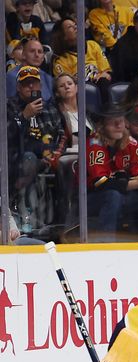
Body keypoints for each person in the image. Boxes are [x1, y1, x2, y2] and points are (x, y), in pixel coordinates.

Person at [86, 103, 138, 239]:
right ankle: (104, 245)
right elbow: (100, 183)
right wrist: (136, 184)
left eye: (121, 120)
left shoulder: (131, 143)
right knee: (113, 196)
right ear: (102, 125)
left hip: (123, 194)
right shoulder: (94, 144)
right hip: (91, 198)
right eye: (113, 122)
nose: (119, 125)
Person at [7, 65, 66, 235]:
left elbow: (60, 134)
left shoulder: (49, 107)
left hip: (48, 157)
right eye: (27, 84)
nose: (31, 87)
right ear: (18, 87)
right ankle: (27, 221)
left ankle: (61, 224)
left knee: (66, 167)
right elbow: (7, 139)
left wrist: (53, 155)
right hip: (18, 159)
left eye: (35, 83)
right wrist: (24, 116)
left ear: (40, 86)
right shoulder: (9, 106)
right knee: (29, 160)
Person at [50, 18, 113, 102]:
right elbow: (67, 86)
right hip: (79, 96)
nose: (76, 27)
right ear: (63, 36)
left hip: (100, 86)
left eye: (75, 25)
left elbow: (106, 71)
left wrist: (104, 75)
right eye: (70, 27)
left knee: (104, 82)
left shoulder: (93, 45)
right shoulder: (60, 61)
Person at [6, 37, 53, 101]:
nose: (36, 55)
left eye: (40, 52)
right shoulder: (11, 77)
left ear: (43, 58)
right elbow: (9, 106)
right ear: (23, 55)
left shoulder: (48, 78)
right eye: (32, 51)